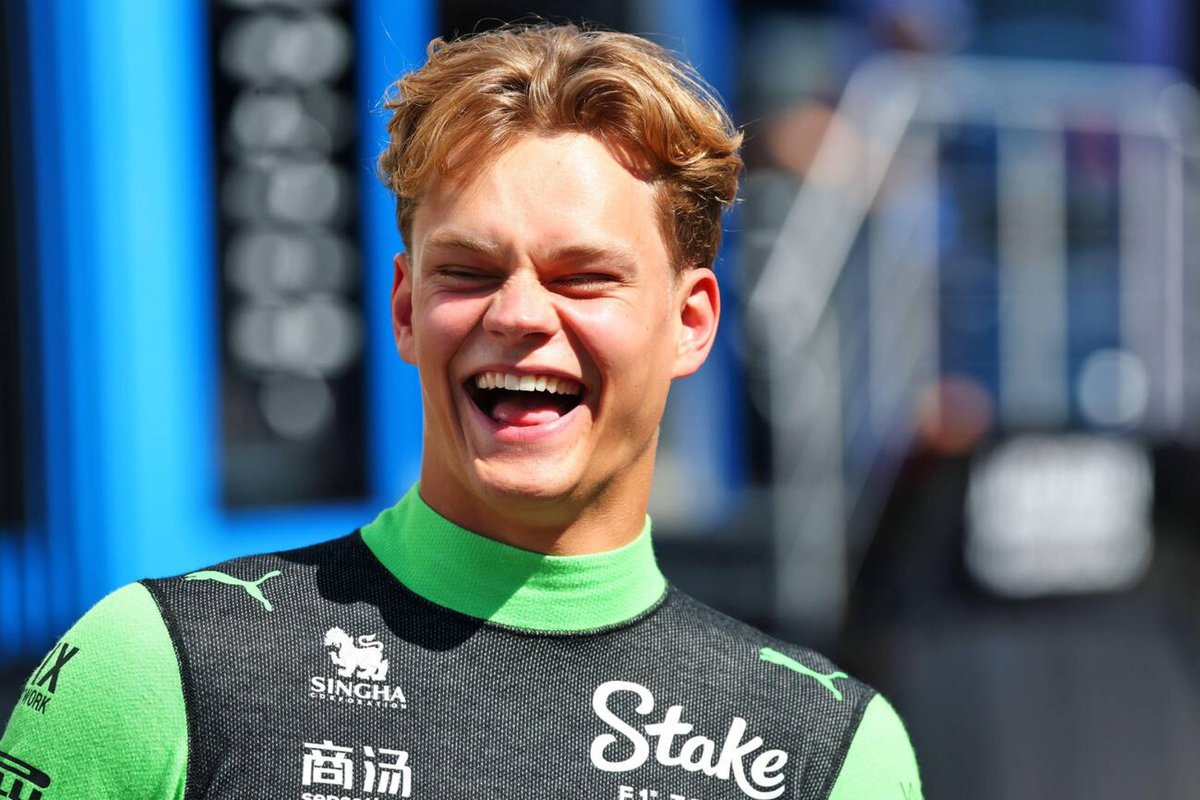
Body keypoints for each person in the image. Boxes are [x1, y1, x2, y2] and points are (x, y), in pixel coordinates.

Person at [1, 23, 922, 799]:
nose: (519, 314)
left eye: (582, 278)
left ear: (689, 323)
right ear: (405, 310)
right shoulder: (159, 668)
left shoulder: (824, 751)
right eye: (470, 273)